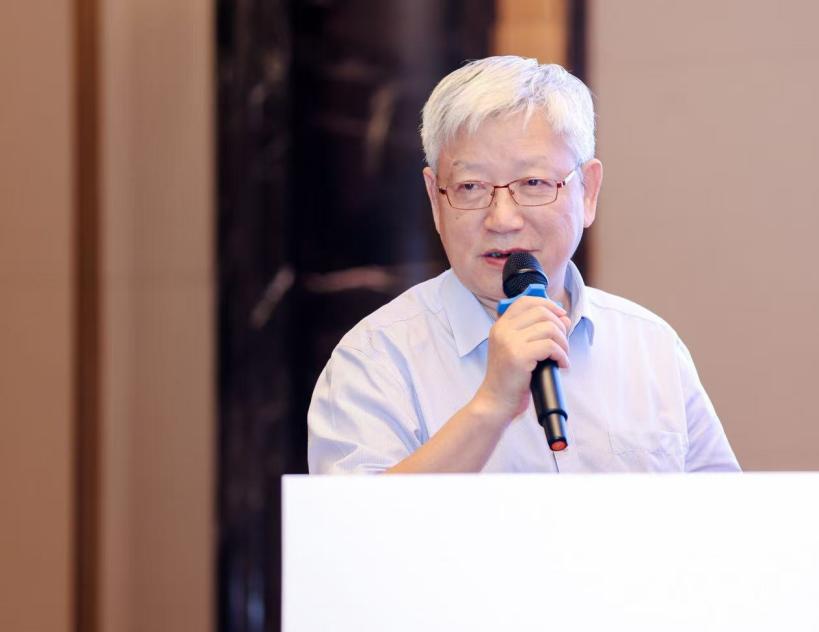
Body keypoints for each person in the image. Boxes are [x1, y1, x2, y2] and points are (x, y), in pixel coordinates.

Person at [308, 55, 739, 474]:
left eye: (533, 183)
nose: (502, 219)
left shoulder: (650, 347)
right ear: (435, 201)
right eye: (470, 187)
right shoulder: (374, 359)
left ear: (588, 192)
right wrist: (491, 406)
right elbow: (356, 522)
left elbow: (727, 516)